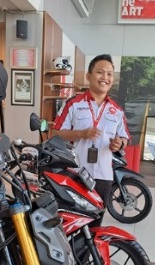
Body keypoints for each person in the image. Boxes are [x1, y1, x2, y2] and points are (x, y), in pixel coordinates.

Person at [52, 54, 129, 204]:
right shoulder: (73, 104)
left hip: (103, 176)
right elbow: (56, 133)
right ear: (89, 76)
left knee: (96, 223)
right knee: (75, 221)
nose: (104, 77)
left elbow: (124, 137)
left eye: (109, 74)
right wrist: (81, 134)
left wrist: (119, 143)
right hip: (76, 172)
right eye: (100, 72)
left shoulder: (117, 110)